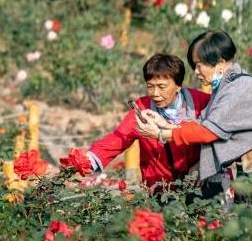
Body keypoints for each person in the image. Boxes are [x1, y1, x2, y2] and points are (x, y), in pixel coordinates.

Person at [135, 30, 252, 197]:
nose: (196, 72)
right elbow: (206, 124)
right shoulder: (228, 85)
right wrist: (166, 124)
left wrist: (160, 134)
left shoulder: (237, 89)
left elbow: (209, 132)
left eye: (199, 65)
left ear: (220, 63)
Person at [85, 54, 210, 192]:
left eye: (161, 87)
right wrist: (87, 161)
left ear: (178, 86)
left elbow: (220, 136)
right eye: (150, 86)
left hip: (201, 185)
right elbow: (118, 137)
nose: (155, 93)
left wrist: (204, 163)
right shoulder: (142, 109)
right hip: (161, 190)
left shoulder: (202, 103)